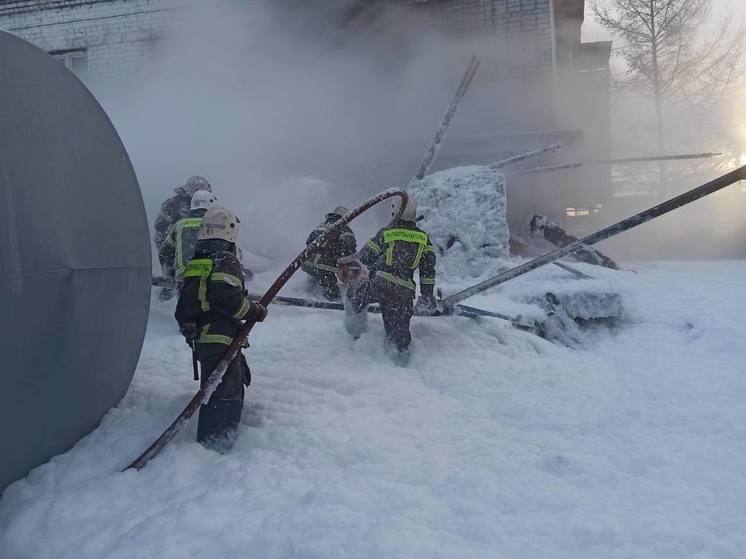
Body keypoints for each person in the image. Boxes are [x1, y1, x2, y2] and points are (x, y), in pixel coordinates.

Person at [175, 206, 267, 450]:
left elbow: (182, 305)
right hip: (221, 337)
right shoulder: (225, 260)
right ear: (230, 233)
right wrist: (255, 311)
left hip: (204, 339)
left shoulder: (198, 261)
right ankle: (215, 443)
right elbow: (228, 301)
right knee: (223, 392)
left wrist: (189, 325)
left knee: (215, 387)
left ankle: (215, 439)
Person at [344, 195, 436, 364]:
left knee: (353, 295)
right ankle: (400, 365)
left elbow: (364, 256)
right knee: (398, 338)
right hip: (403, 294)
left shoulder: (387, 232)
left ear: (395, 211)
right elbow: (428, 271)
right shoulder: (424, 238)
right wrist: (427, 295)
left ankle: (355, 333)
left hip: (380, 285)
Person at [154, 176, 212, 300]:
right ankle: (168, 288)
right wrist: (174, 231)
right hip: (170, 240)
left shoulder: (208, 204)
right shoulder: (173, 204)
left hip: (192, 242)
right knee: (171, 265)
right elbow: (159, 226)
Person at [159, 189, 216, 286]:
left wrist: (171, 273)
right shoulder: (217, 224)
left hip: (184, 278)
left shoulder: (179, 224)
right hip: (210, 276)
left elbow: (164, 252)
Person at [301, 206, 357, 300]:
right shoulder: (345, 230)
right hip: (324, 268)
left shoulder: (321, 226)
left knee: (313, 281)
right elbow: (349, 253)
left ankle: (310, 288)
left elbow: (308, 242)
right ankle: (330, 302)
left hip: (307, 264)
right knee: (334, 296)